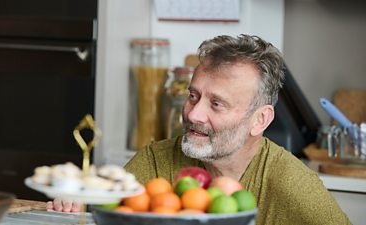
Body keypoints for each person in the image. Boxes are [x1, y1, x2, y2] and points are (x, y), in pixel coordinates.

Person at [48, 34, 351, 225]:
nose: (194, 113)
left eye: (217, 104)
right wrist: (76, 209)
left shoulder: (292, 185)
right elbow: (108, 213)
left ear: (259, 120)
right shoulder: (157, 160)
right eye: (193, 96)